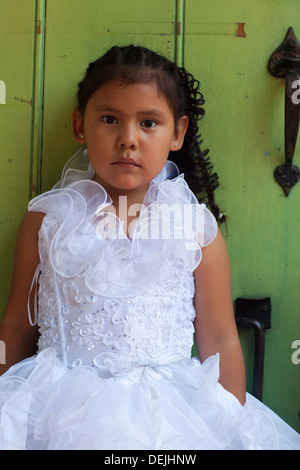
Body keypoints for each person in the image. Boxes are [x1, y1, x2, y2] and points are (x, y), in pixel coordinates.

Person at [0, 45, 299, 450]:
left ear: (177, 133)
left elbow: (221, 338)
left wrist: (232, 424)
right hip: (56, 410)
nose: (128, 139)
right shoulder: (47, 222)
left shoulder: (196, 229)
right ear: (80, 125)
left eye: (148, 123)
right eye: (109, 119)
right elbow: (18, 324)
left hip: (170, 415)